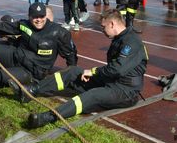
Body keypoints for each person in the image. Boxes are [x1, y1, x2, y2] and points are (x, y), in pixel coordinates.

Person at [9, 9, 148, 128]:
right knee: (73, 72)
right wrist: (94, 74)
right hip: (111, 81)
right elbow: (113, 70)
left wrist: (93, 72)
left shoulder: (132, 42)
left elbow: (117, 69)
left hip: (125, 91)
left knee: (92, 95)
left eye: (103, 27)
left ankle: (47, 117)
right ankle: (31, 91)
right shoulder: (120, 39)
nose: (102, 30)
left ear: (112, 24)